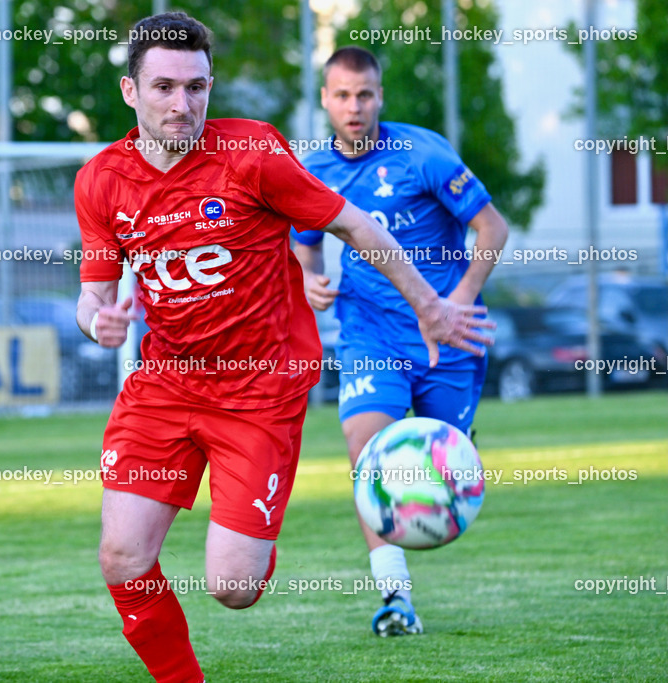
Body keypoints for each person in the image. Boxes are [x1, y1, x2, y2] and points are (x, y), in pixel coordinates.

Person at [75, 13, 493, 681]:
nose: (181, 104)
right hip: (164, 386)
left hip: (260, 390)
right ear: (131, 92)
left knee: (232, 587)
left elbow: (356, 226)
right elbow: (93, 294)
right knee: (121, 556)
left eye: (196, 87)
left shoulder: (255, 154)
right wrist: (98, 321)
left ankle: (254, 531)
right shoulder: (100, 180)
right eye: (163, 87)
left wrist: (431, 305)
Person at [291, 46, 509, 636]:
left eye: (364, 95)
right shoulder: (314, 170)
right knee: (370, 456)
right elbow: (304, 239)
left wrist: (458, 300)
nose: (354, 107)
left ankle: (456, 436)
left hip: (449, 337)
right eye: (342, 95)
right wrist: (310, 276)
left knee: (447, 467)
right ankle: (395, 596)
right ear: (326, 100)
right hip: (370, 334)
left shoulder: (424, 153)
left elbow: (492, 226)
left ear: (380, 96)